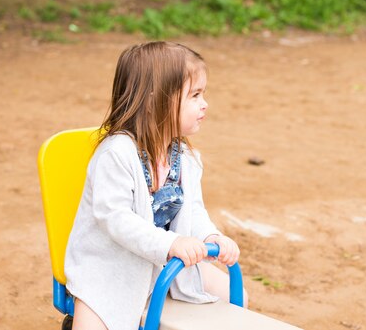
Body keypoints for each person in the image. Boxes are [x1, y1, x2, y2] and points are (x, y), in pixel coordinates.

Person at [64, 41, 247, 330]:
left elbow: (193, 209)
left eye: (203, 94)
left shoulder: (185, 157)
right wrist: (171, 243)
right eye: (195, 95)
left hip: (165, 264)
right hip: (113, 266)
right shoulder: (117, 154)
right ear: (155, 100)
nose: (204, 103)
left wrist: (211, 235)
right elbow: (116, 218)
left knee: (235, 299)